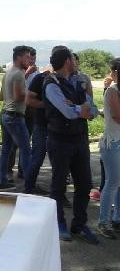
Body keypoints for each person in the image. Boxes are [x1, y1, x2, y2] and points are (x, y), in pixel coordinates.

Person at [44, 47, 99, 243]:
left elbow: (93, 110)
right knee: (59, 185)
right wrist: (79, 109)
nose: (76, 62)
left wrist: (77, 108)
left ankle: (79, 224)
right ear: (68, 61)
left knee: (84, 184)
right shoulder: (51, 84)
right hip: (59, 140)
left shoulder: (78, 82)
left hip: (80, 139)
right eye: (73, 59)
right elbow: (66, 112)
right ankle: (58, 222)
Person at [0, 46, 33, 191]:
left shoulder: (8, 73)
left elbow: (1, 96)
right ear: (19, 58)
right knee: (26, 150)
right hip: (15, 116)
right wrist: (31, 94)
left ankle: (2, 180)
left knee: (6, 150)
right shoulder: (18, 74)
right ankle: (30, 184)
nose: (29, 60)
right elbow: (18, 96)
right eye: (27, 57)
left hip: (5, 114)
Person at [97, 58, 120, 239]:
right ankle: (103, 222)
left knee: (117, 184)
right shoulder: (112, 91)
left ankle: (117, 219)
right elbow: (117, 116)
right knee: (112, 183)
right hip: (113, 143)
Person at [25, 67, 51, 195]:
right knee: (37, 157)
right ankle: (29, 188)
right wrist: (50, 105)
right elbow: (29, 100)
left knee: (61, 160)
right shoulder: (40, 78)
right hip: (42, 125)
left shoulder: (72, 79)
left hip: (60, 127)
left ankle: (58, 192)